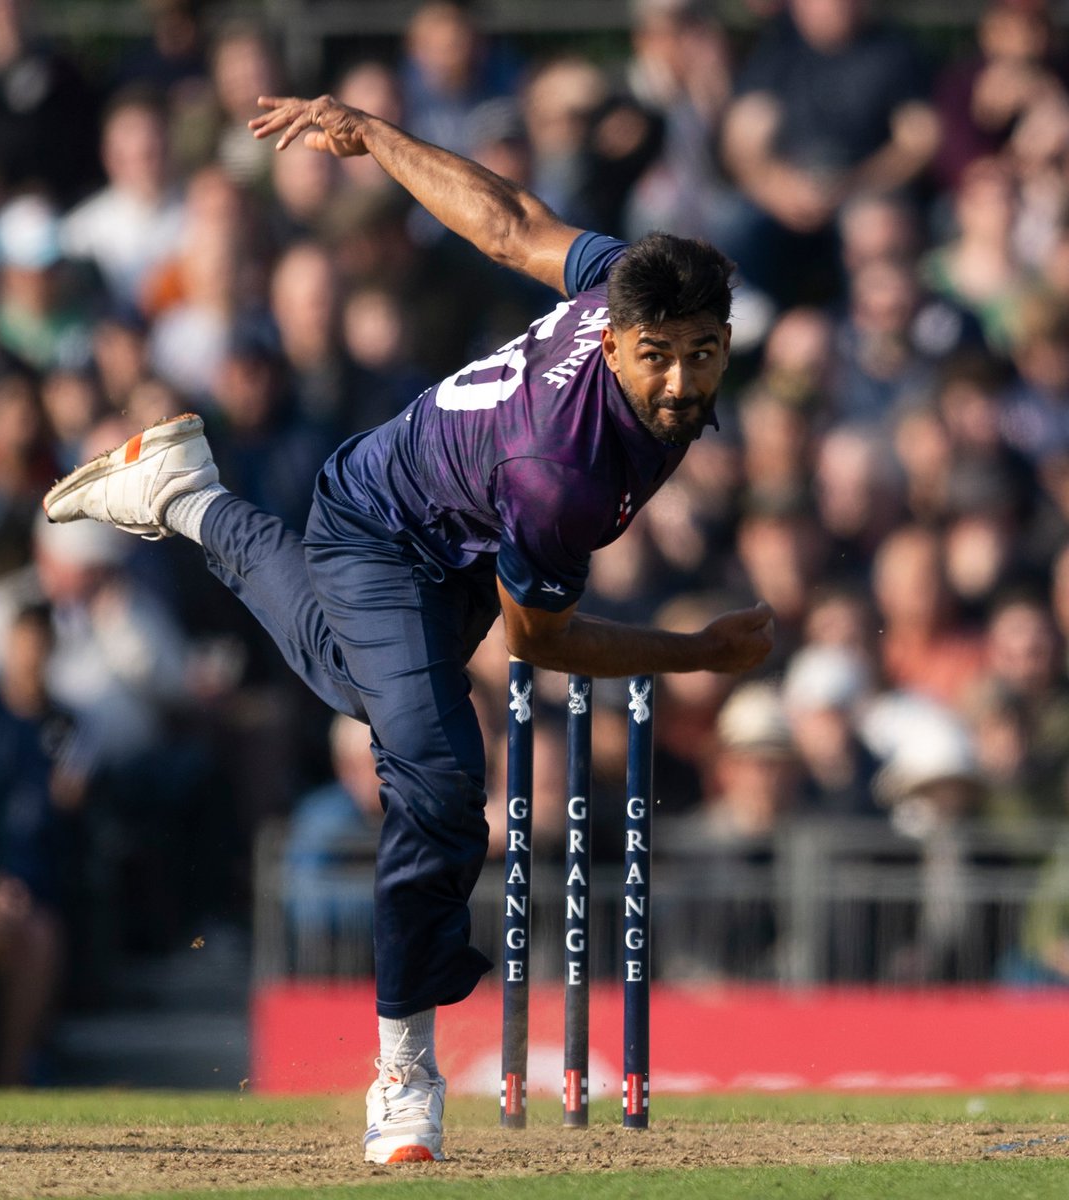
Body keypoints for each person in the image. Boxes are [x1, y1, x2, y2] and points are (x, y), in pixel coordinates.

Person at [43, 92, 774, 1164]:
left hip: (461, 525)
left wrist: (376, 135)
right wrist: (698, 653)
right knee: (436, 779)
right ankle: (404, 1073)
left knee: (358, 686)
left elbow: (509, 224)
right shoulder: (562, 474)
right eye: (656, 356)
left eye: (702, 354)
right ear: (615, 341)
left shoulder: (629, 280)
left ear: (726, 337)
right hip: (382, 525)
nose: (679, 381)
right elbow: (542, 644)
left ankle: (186, 496)